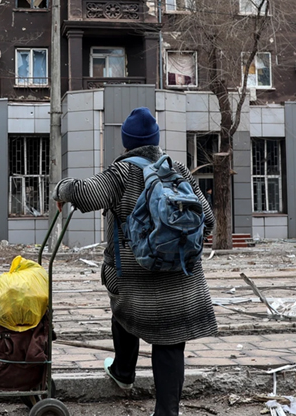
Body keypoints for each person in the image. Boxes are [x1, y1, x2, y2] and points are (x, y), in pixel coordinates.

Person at [53, 107, 217, 416]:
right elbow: (207, 220)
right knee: (170, 342)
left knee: (122, 309)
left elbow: (85, 194)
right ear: (156, 140)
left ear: (126, 142)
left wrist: (61, 190)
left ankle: (123, 372)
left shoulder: (122, 173)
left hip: (135, 279)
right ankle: (167, 411)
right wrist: (176, 248)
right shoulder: (177, 170)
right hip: (182, 278)